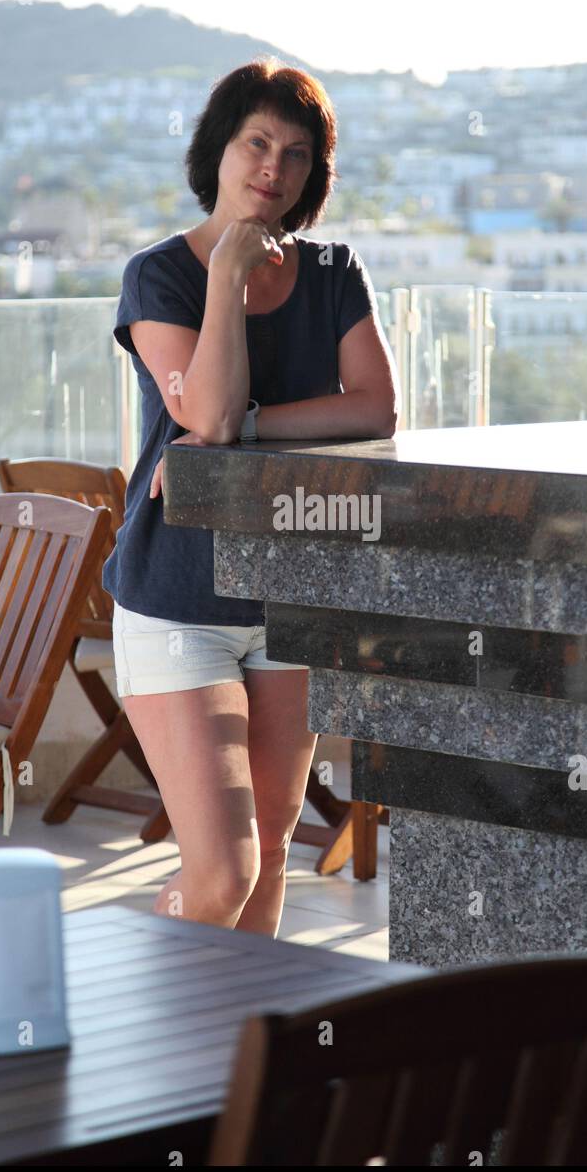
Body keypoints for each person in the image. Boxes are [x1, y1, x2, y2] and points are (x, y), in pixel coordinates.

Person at [102, 56, 399, 937]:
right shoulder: (159, 277)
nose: (275, 167)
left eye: (298, 152)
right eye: (257, 143)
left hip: (293, 596)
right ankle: (157, 1000)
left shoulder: (336, 270)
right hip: (177, 597)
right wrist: (227, 274)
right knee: (222, 869)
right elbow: (209, 412)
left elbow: (375, 407)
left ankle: (241, 1060)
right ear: (218, 152)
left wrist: (258, 423)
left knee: (271, 853)